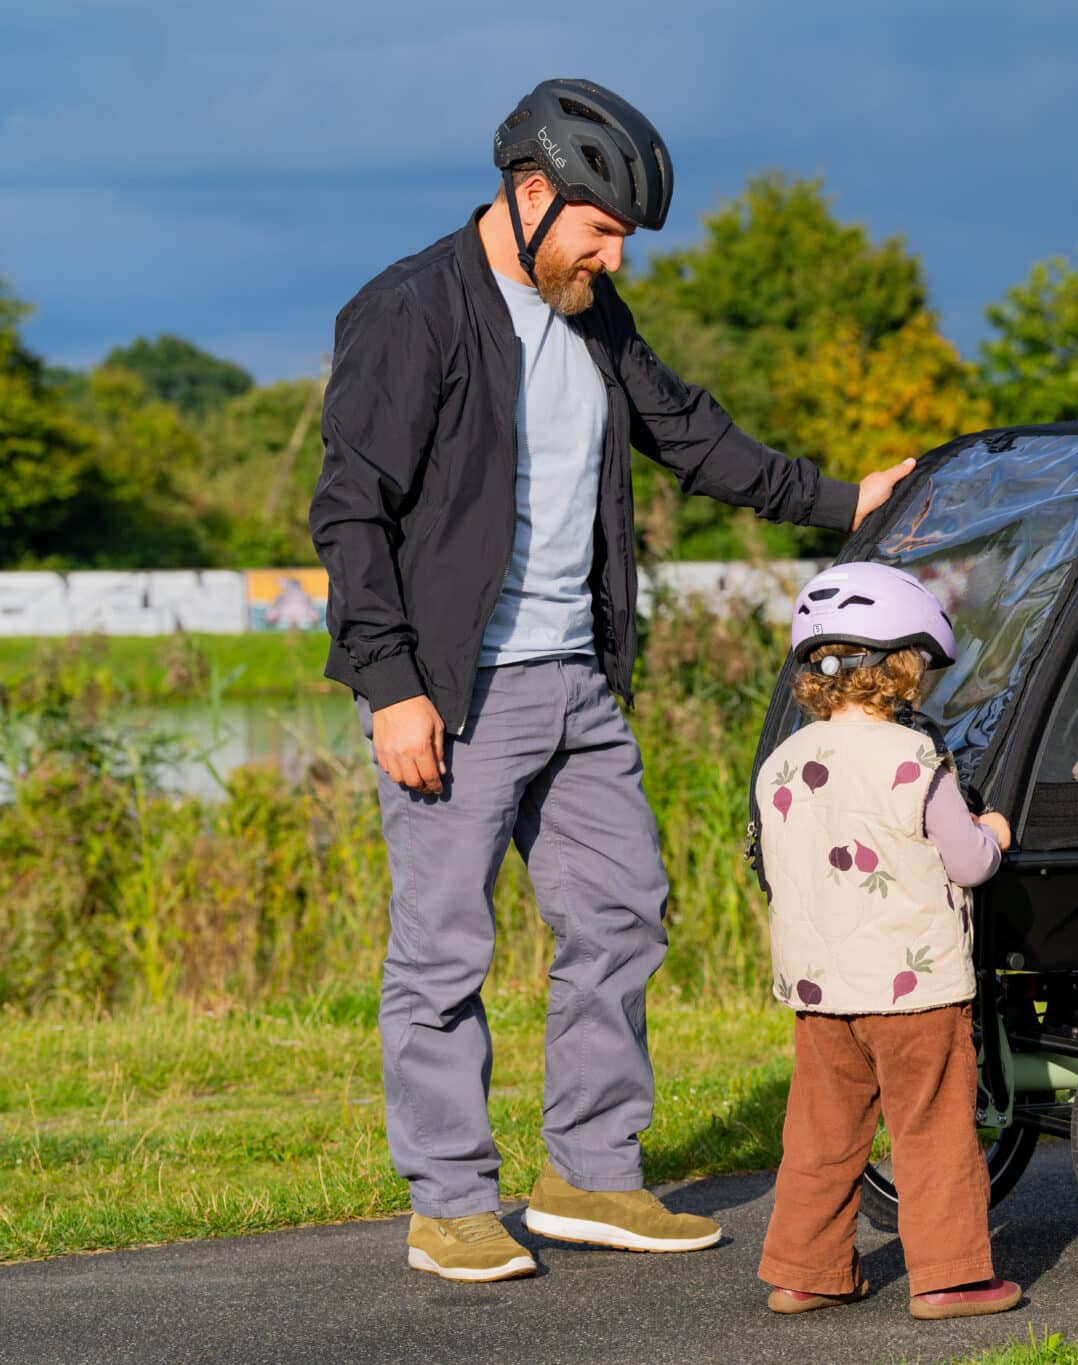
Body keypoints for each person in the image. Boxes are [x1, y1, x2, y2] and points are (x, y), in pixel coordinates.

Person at [309, 78, 916, 1284]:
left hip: (576, 681)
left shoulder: (586, 313)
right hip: (451, 691)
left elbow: (692, 435)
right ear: (530, 196)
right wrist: (389, 687)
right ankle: (449, 1202)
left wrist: (839, 503)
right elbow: (350, 510)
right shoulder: (411, 311)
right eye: (598, 227)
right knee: (440, 953)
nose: (615, 253)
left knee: (622, 913)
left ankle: (589, 1172)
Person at [752, 563, 1023, 1321]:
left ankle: (806, 1272)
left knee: (821, 1135)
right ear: (902, 670)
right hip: (915, 988)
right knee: (931, 1129)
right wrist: (994, 832)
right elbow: (966, 861)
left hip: (821, 993)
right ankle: (951, 1278)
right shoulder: (914, 761)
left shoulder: (780, 764)